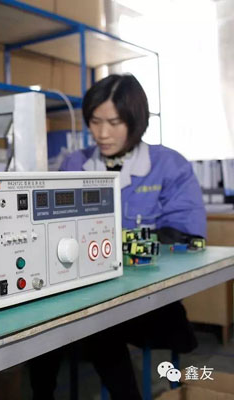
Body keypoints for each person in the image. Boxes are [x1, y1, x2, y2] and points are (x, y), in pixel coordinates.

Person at [30, 74, 206, 399]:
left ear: (135, 121)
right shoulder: (75, 164)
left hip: (147, 302)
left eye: (114, 122)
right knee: (39, 320)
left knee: (100, 324)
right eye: (95, 122)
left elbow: (186, 235)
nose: (102, 133)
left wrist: (125, 244)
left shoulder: (168, 165)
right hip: (85, 294)